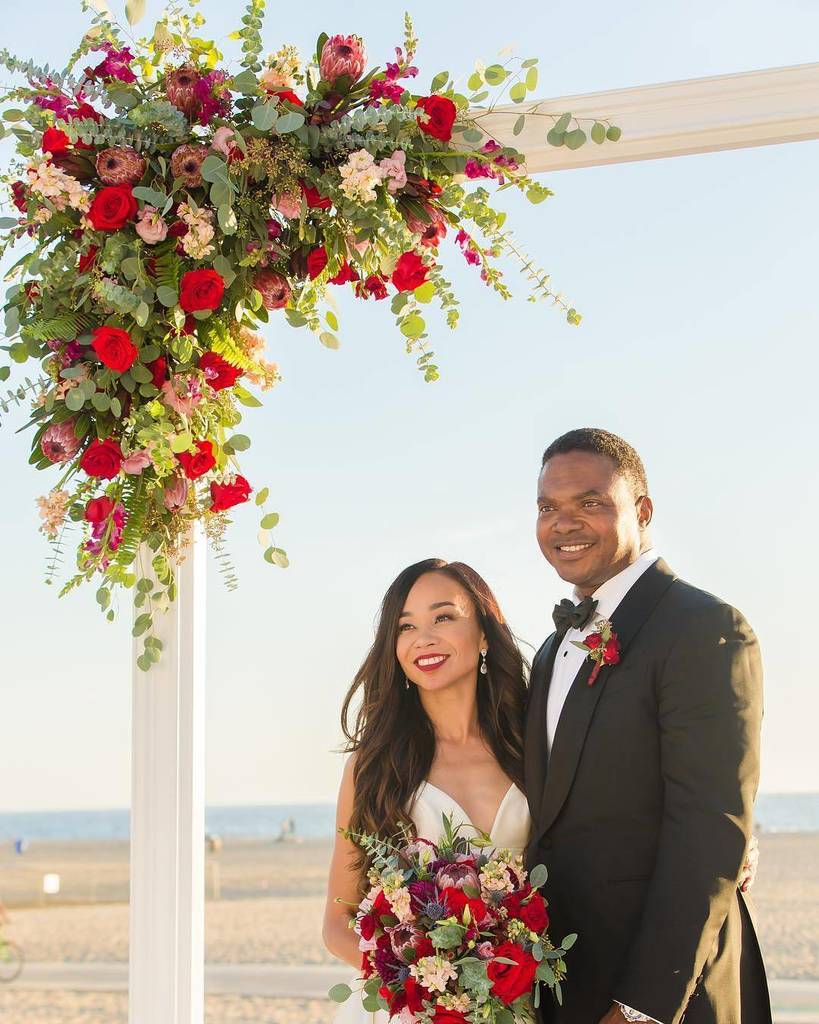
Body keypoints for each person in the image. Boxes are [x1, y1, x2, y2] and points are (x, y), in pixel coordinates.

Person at [525, 428, 771, 1024]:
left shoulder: (704, 628)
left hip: (667, 996)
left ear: (643, 510)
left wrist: (641, 1007)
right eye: (548, 508)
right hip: (561, 984)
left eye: (590, 502)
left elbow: (708, 833)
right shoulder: (551, 650)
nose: (564, 523)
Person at [322, 559, 532, 1022]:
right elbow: (337, 923)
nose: (424, 638)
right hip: (409, 1010)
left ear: (483, 634)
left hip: (518, 1000)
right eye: (406, 626)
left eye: (443, 617)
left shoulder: (533, 750)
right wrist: (425, 980)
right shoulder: (373, 766)